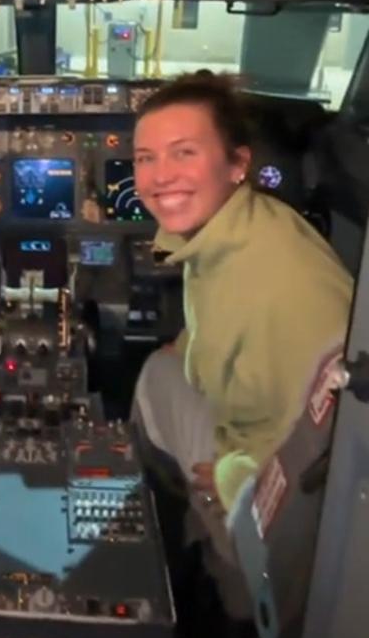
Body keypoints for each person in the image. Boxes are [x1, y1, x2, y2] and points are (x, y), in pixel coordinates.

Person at [131, 72, 353, 610]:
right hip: (272, 432)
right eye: (144, 158)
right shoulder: (245, 225)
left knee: (149, 386)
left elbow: (305, 441)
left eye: (184, 152)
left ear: (237, 164)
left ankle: (206, 583)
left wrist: (233, 475)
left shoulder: (277, 287)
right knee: (162, 368)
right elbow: (219, 310)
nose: (160, 176)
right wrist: (187, 347)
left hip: (291, 508)